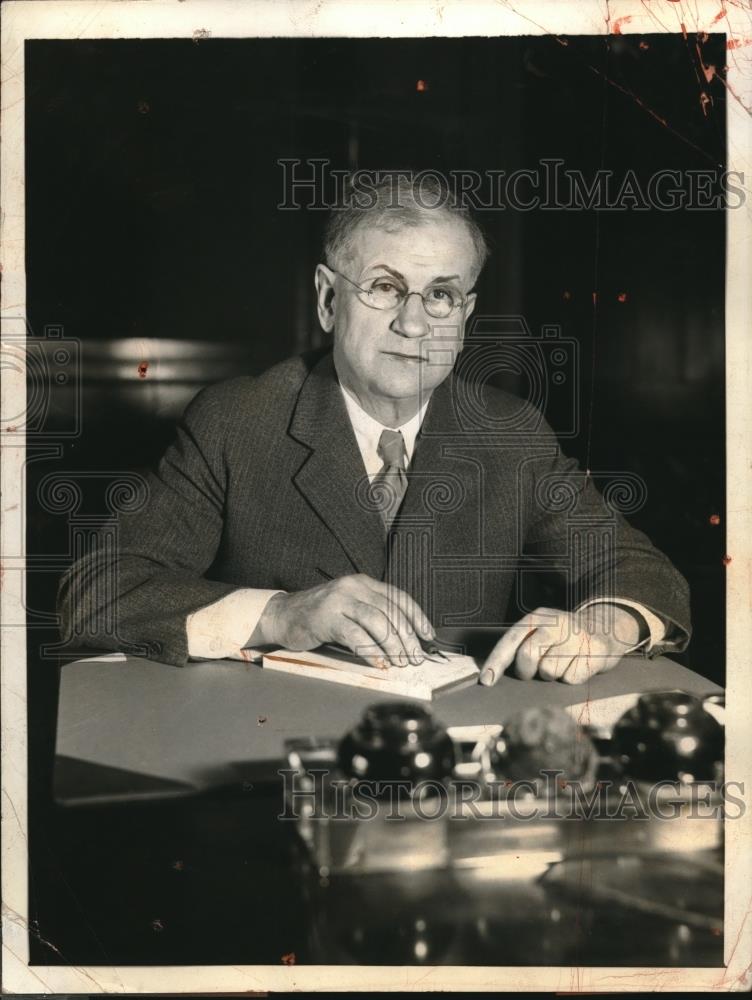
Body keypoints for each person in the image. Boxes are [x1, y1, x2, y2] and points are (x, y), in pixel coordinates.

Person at [58, 175, 691, 685]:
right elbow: (96, 593)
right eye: (386, 288)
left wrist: (602, 627)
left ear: (466, 314)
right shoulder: (236, 422)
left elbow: (640, 569)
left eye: (440, 295)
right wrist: (282, 612)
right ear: (329, 300)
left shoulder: (510, 433)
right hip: (275, 766)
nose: (414, 325)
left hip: (451, 772)